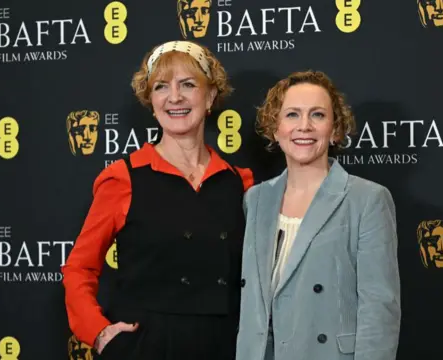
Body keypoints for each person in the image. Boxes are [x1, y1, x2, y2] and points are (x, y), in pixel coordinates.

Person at [61, 40, 254, 360]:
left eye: (188, 85)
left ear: (210, 96)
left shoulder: (239, 181)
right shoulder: (123, 178)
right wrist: (99, 333)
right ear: (151, 102)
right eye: (161, 87)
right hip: (146, 348)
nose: (174, 97)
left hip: (224, 346)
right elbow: (78, 268)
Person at [236, 70, 401, 360]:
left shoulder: (367, 200)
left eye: (317, 115)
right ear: (275, 128)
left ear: (336, 129)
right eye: (292, 115)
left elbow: (380, 308)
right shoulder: (256, 199)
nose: (304, 126)